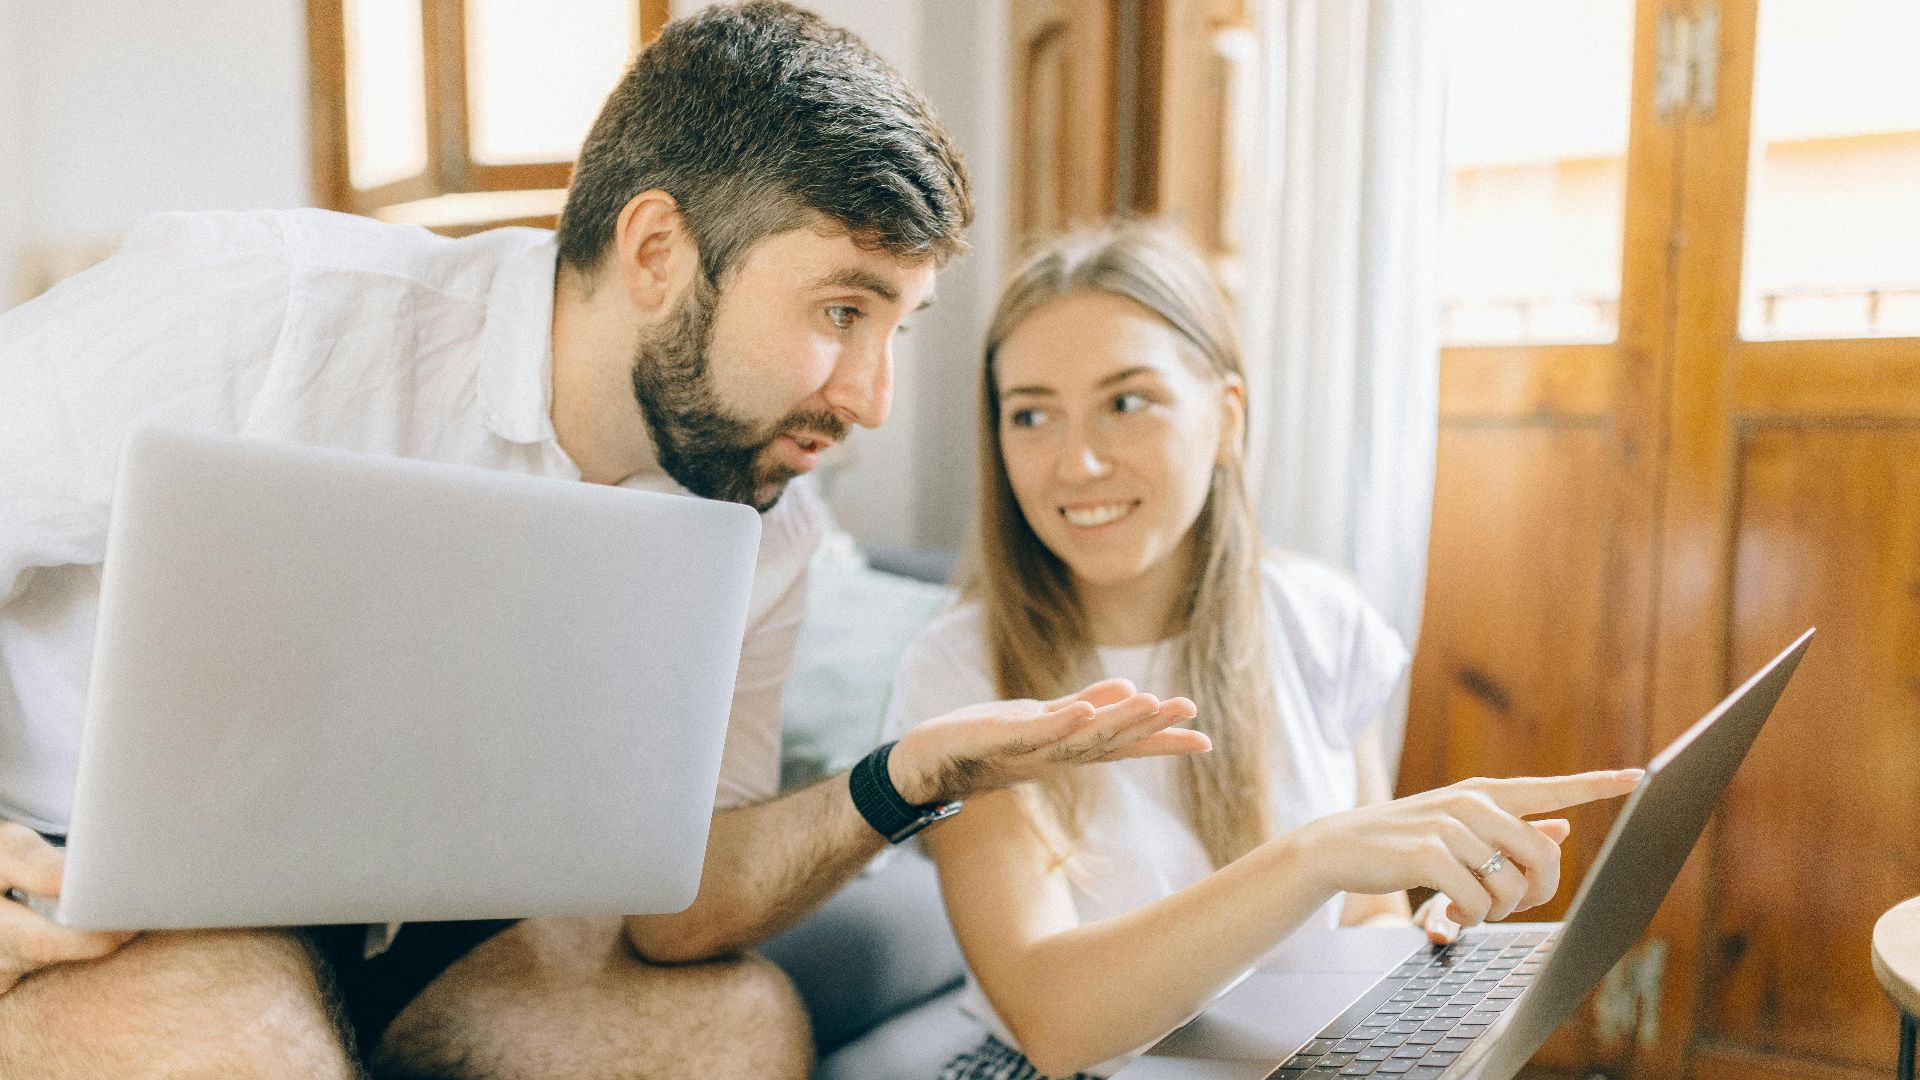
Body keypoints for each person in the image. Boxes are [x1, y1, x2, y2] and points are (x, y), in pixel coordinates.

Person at [0, 7, 1207, 1078]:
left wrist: (909, 775)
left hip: (423, 920)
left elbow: (677, 911)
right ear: (656, 252)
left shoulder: (758, 514)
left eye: (900, 328)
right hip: (94, 888)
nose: (874, 398)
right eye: (842, 311)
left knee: (732, 1032)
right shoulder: (270, 310)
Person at [881, 222, 1641, 1079]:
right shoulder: (956, 674)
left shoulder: (1321, 619)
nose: (1078, 461)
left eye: (1127, 402)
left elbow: (1365, 915)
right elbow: (1057, 1023)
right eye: (1031, 415)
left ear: (1226, 418)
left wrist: (1415, 952)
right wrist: (1311, 859)